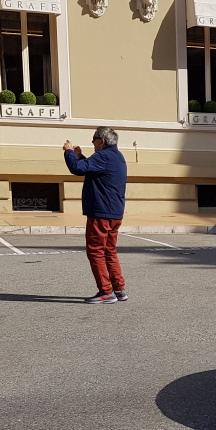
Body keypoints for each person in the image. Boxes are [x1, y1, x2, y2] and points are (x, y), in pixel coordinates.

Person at [64, 126, 128, 304]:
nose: (92, 143)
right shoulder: (116, 156)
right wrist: (80, 156)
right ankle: (119, 288)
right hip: (114, 212)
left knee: (96, 251)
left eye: (94, 139)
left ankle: (106, 292)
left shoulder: (104, 155)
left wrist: (69, 152)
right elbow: (91, 169)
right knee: (109, 251)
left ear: (103, 141)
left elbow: (76, 169)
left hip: (101, 212)